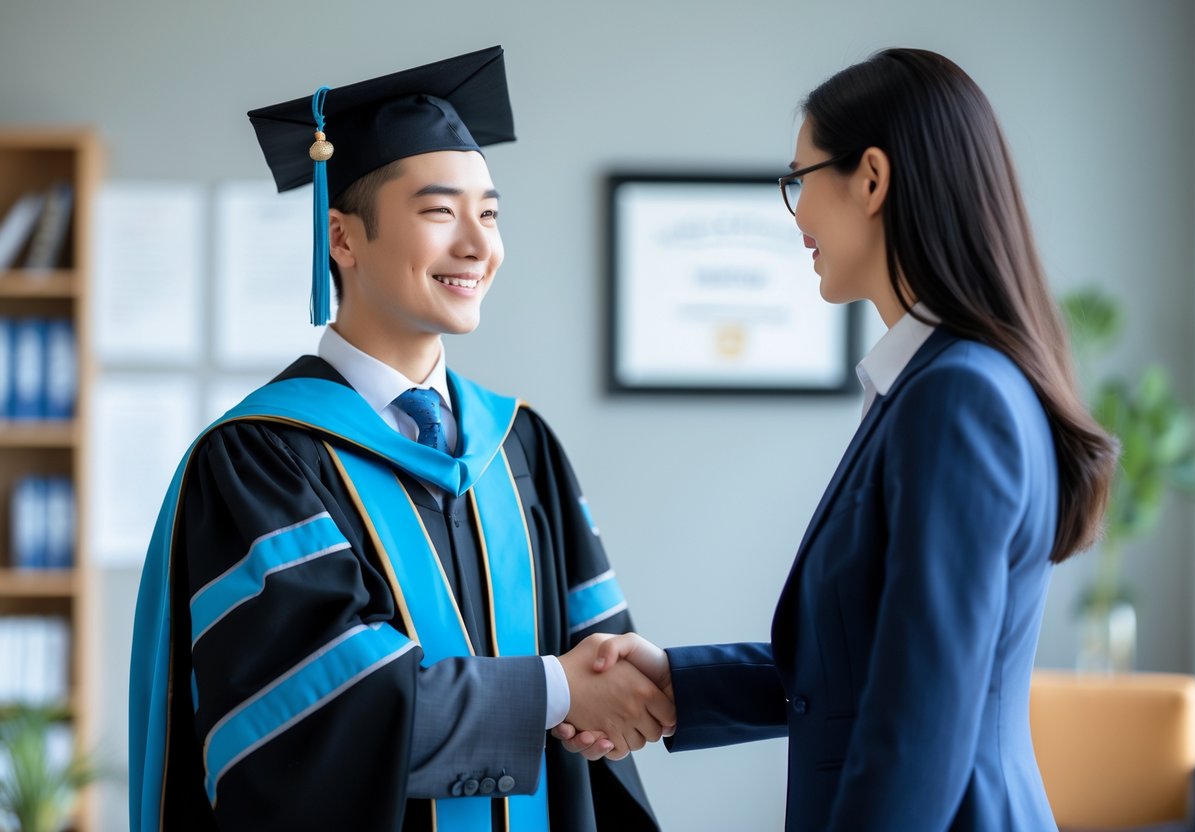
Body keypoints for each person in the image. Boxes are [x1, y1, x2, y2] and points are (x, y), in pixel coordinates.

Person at [555, 48, 1119, 831]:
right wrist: (677, 684)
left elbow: (916, 727)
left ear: (872, 179)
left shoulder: (955, 395)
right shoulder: (934, 384)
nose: (795, 215)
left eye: (798, 180)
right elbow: (866, 673)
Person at [128, 46, 672, 832]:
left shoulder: (519, 445)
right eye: (439, 211)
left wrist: (614, 693)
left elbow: (604, 660)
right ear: (341, 239)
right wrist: (556, 690)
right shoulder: (262, 458)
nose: (478, 246)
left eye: (489, 213)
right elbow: (326, 708)